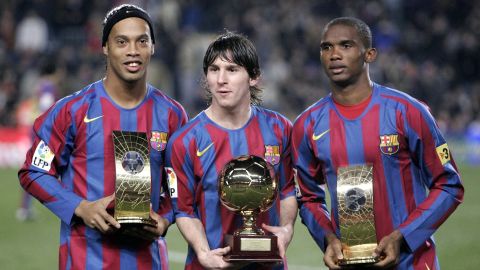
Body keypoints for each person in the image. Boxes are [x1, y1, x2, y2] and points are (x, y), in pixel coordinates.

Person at [18, 4, 187, 269]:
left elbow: (182, 184)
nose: (133, 50)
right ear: (105, 47)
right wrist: (80, 207)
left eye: (142, 41)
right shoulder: (72, 110)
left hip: (149, 260)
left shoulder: (172, 115)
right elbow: (33, 171)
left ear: (152, 47)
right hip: (85, 259)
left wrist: (165, 218)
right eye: (122, 41)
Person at [291, 17, 464, 269]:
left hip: (411, 262)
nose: (334, 54)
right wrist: (328, 238)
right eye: (326, 47)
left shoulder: (408, 111)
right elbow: (308, 198)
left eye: (346, 45)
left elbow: (449, 184)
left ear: (369, 54)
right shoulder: (306, 125)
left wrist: (402, 236)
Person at [165, 31, 297, 269]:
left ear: (254, 77)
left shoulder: (280, 129)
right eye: (214, 70)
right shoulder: (185, 141)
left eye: (232, 70)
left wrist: (286, 229)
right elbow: (183, 210)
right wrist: (204, 254)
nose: (220, 79)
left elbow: (288, 191)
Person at [16, 58, 61, 222]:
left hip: (35, 130)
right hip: (43, 132)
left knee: (38, 169)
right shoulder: (49, 86)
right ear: (55, 71)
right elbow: (45, 106)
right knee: (38, 169)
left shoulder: (40, 84)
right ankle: (24, 208)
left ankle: (25, 207)